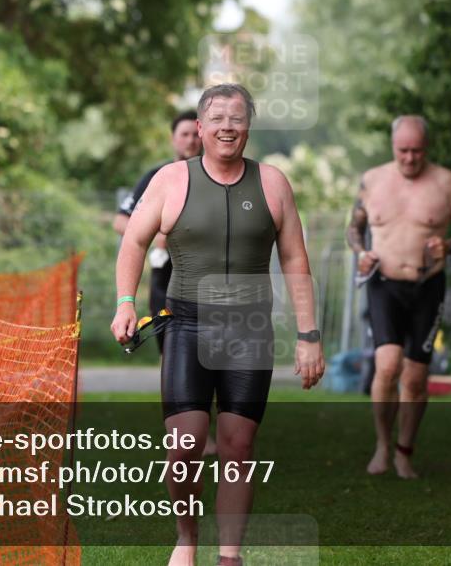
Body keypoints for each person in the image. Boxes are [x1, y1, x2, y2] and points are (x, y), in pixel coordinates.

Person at [111, 84, 325, 566]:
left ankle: (230, 556)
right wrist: (126, 303)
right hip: (187, 324)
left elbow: (294, 257)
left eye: (238, 118)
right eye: (218, 119)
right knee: (184, 445)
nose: (228, 127)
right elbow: (133, 244)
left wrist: (309, 335)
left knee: (238, 444)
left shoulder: (272, 182)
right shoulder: (169, 179)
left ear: (248, 127)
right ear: (201, 128)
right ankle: (187, 537)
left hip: (250, 329)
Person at [346, 115, 451, 478]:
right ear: (393, 147)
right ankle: (382, 445)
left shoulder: (445, 182)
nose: (409, 158)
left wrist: (448, 244)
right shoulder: (372, 180)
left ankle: (405, 450)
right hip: (383, 283)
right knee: (387, 366)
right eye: (403, 150)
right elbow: (354, 229)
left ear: (427, 148)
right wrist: (361, 252)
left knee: (416, 378)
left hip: (427, 286)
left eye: (417, 151)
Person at [112, 109, 202, 353]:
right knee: (171, 352)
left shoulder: (217, 176)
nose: (191, 140)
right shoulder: (158, 177)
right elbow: (121, 222)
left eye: (195, 134)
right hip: (166, 281)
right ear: (173, 139)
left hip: (207, 284)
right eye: (184, 134)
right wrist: (159, 236)